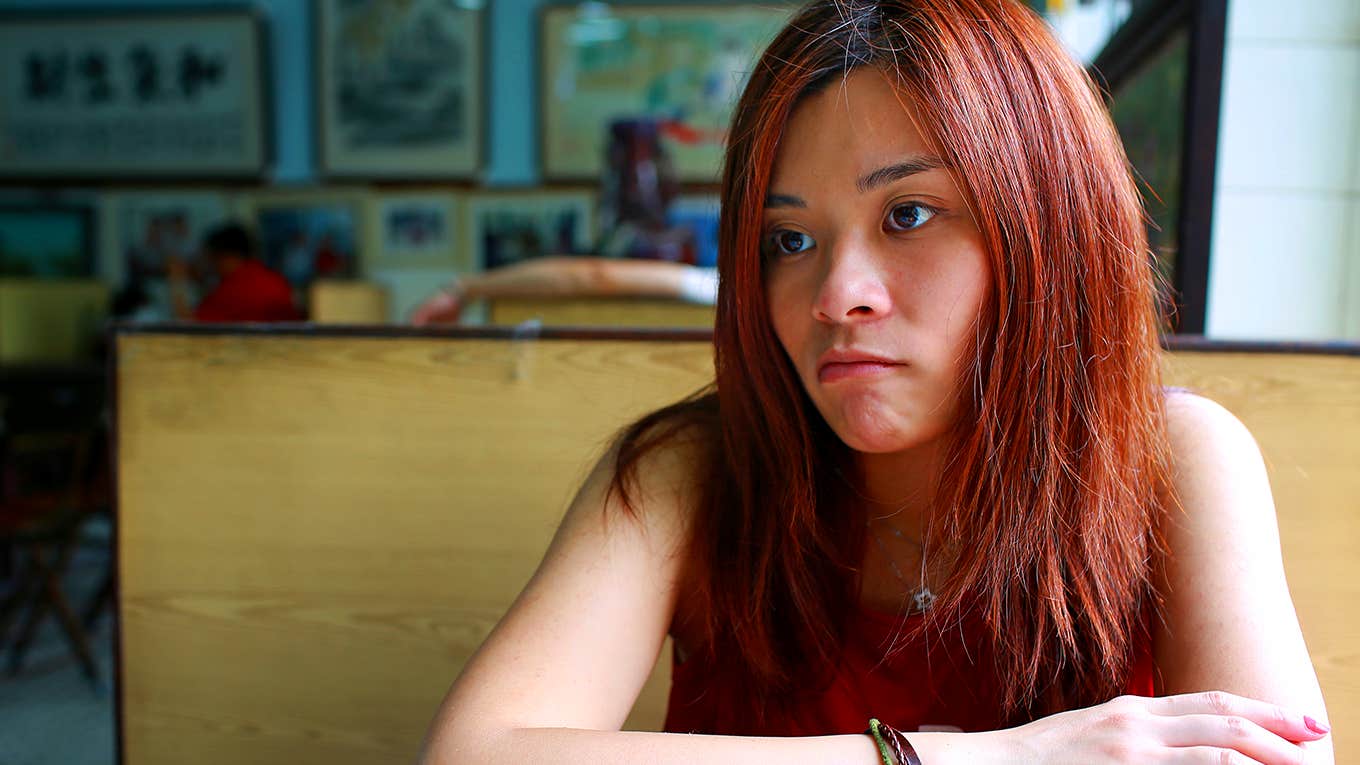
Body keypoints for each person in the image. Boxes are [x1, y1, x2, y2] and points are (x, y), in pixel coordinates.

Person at [419, 1, 1333, 763]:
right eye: (790, 241)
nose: (836, 296)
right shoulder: (696, 471)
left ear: (1047, 232)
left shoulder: (1172, 458)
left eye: (908, 213)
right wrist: (978, 755)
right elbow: (476, 752)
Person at [409, 257, 717, 325]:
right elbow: (595, 277)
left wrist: (465, 289)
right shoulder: (723, 288)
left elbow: (595, 277)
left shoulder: (723, 288)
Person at [169, 223, 302, 323]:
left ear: (226, 257)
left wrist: (177, 280)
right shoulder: (272, 278)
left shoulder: (236, 286)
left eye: (211, 258)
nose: (210, 265)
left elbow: (189, 324)